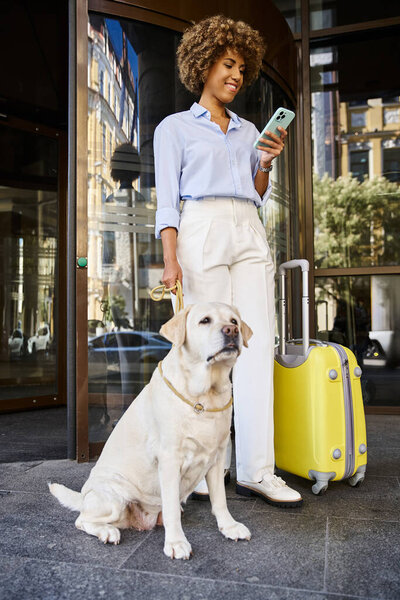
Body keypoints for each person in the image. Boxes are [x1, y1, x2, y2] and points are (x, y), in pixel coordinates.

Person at [153, 15, 302, 507]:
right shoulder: (173, 129)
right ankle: (197, 469)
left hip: (248, 229)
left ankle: (257, 469)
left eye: (242, 68)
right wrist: (170, 261)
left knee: (256, 347)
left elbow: (257, 193)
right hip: (201, 228)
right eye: (227, 64)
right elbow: (167, 204)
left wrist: (264, 163)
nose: (236, 76)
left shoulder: (249, 130)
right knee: (204, 351)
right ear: (204, 65)